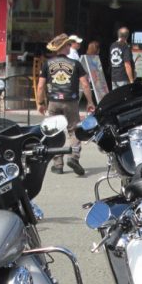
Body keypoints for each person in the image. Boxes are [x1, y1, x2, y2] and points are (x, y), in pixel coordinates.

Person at [36, 32, 95, 176]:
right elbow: (85, 84)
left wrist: (40, 103)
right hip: (71, 101)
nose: (70, 46)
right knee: (74, 130)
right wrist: (90, 101)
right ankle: (74, 157)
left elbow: (40, 86)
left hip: (54, 102)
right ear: (64, 47)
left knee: (54, 131)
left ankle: (58, 164)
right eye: (68, 44)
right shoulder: (75, 63)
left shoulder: (47, 64)